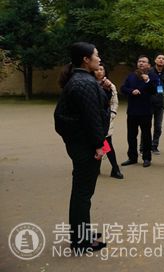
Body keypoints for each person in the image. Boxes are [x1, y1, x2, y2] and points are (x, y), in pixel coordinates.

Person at [54, 42, 107, 251]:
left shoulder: (82, 80)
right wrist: (99, 146)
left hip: (83, 144)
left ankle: (82, 232)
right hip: (86, 146)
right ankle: (80, 241)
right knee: (83, 193)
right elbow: (92, 119)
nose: (99, 58)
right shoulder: (84, 83)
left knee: (83, 192)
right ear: (86, 59)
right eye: (96, 55)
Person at [121, 55, 157, 168]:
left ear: (149, 65)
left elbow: (155, 90)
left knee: (146, 136)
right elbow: (123, 88)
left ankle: (146, 158)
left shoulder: (152, 76)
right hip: (132, 111)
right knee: (131, 136)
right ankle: (132, 157)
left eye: (144, 62)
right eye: (139, 61)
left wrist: (147, 81)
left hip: (146, 111)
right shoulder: (131, 76)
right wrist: (131, 91)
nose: (141, 63)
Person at [94, 63, 123, 179]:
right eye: (97, 69)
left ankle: (115, 169)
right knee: (95, 144)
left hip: (106, 119)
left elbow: (114, 102)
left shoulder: (110, 85)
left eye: (101, 69)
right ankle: (96, 168)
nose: (99, 71)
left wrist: (112, 113)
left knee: (106, 143)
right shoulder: (90, 84)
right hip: (93, 119)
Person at [149, 54, 164, 154]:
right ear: (155, 60)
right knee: (146, 126)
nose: (161, 60)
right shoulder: (149, 72)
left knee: (158, 126)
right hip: (149, 103)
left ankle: (154, 146)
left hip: (160, 104)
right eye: (159, 58)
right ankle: (143, 147)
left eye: (163, 59)